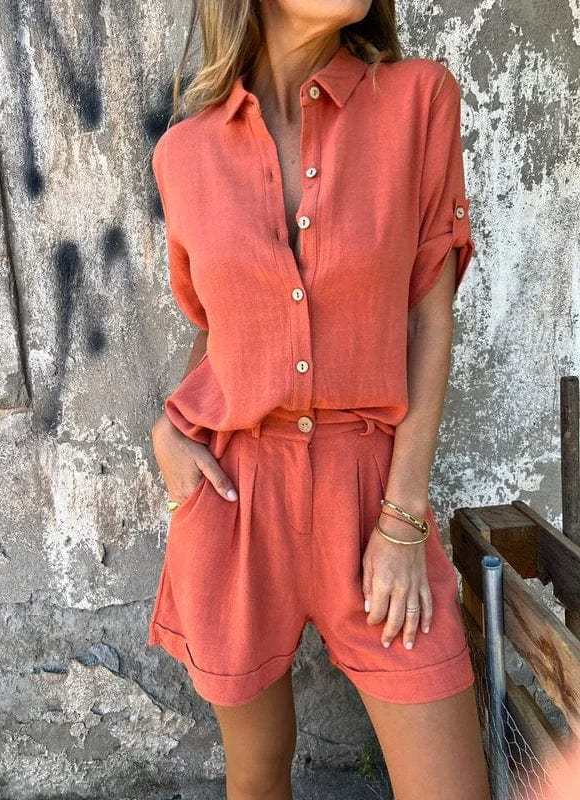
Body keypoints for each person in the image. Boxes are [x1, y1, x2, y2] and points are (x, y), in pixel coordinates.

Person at [147, 1, 491, 798]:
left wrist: (402, 518)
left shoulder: (418, 100)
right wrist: (168, 429)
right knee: (257, 777)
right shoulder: (184, 153)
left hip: (371, 492)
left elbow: (429, 317)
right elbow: (217, 327)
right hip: (235, 498)